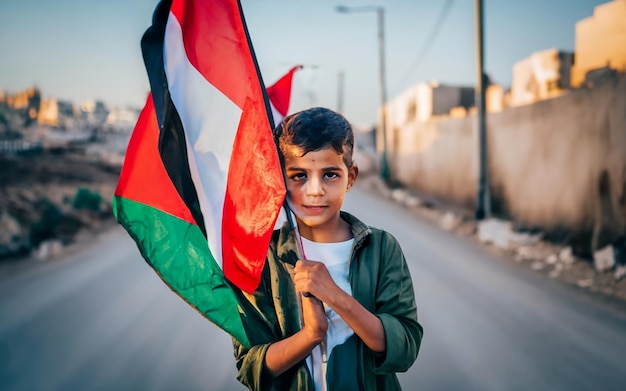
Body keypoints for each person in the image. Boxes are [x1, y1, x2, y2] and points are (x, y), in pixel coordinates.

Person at [231, 107, 423, 390]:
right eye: (299, 176)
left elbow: (404, 348)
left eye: (330, 174)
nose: (315, 190)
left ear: (351, 177)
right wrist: (310, 334)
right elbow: (250, 368)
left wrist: (333, 294)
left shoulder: (381, 248)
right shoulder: (263, 257)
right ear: (280, 179)